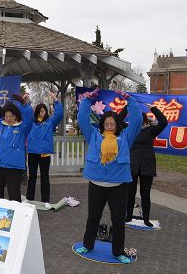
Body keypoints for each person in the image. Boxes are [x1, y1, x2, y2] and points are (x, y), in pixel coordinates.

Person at [76, 88, 142, 264]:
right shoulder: (94, 136)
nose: (110, 125)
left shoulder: (126, 138)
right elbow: (82, 119)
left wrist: (131, 101)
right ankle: (88, 245)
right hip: (96, 184)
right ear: (103, 124)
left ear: (117, 125)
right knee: (93, 217)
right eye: (107, 123)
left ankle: (118, 251)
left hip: (118, 186)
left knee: (118, 221)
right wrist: (87, 101)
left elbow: (137, 120)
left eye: (113, 123)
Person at [122, 103, 168, 226]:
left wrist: (153, 108)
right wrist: (127, 107)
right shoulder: (129, 130)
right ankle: (128, 216)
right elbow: (117, 120)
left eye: (141, 120)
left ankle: (146, 219)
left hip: (147, 165)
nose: (139, 122)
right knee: (130, 193)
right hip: (132, 165)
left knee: (145, 193)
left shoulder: (152, 130)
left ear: (145, 121)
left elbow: (163, 121)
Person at [0, 92, 33, 202]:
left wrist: (24, 103)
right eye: (6, 116)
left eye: (10, 116)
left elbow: (29, 117)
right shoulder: (0, 126)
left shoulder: (22, 128)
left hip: (13, 166)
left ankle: (17, 217)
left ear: (16, 116)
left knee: (14, 194)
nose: (8, 118)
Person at [26, 91, 63, 206]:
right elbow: (25, 114)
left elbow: (59, 114)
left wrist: (55, 100)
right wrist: (25, 102)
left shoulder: (50, 122)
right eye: (39, 111)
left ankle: (45, 200)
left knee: (44, 177)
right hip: (32, 153)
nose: (40, 113)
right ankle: (29, 198)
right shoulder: (31, 123)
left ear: (46, 112)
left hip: (44, 154)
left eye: (42, 111)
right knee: (31, 176)